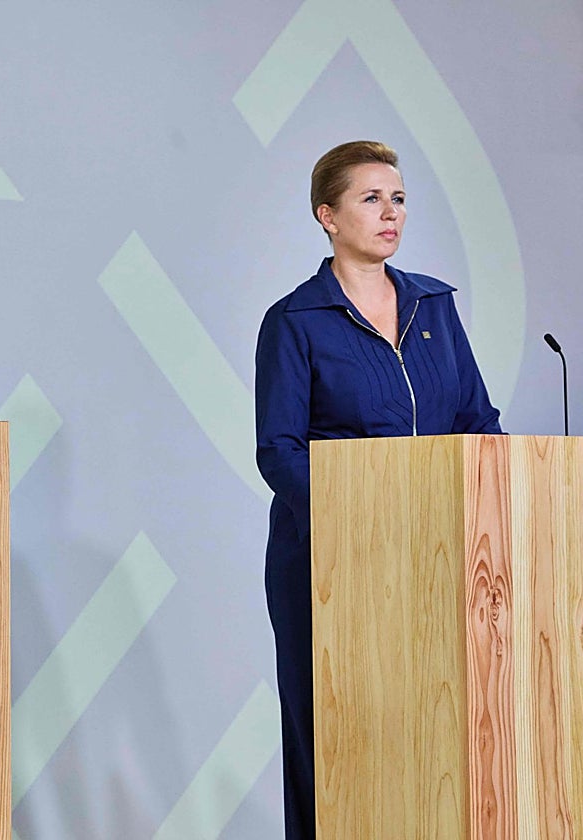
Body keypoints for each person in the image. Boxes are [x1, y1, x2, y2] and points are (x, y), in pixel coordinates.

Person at [254, 140, 501, 839]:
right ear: (327, 215)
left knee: (428, 735)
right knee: (336, 740)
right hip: (332, 561)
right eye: (371, 198)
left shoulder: (435, 307)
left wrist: (499, 496)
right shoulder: (295, 321)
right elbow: (279, 450)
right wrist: (359, 519)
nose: (391, 213)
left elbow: (477, 422)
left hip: (435, 555)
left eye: (398, 198)